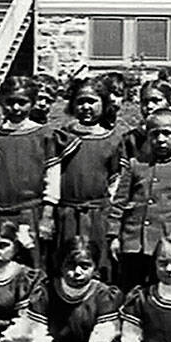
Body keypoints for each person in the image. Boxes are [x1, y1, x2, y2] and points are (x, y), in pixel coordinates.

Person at [0, 76, 68, 272]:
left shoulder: (44, 136)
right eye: (10, 102)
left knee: (33, 266)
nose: (16, 108)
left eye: (22, 102)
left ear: (33, 103)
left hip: (31, 214)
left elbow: (52, 179)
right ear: (0, 102)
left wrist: (47, 215)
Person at [107, 111, 171, 291]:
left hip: (166, 244)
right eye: (155, 134)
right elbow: (119, 202)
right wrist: (114, 236)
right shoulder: (136, 166)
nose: (161, 139)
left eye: (167, 133)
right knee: (131, 289)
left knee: (159, 289)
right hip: (133, 243)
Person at [53, 76, 127, 277]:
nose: (86, 107)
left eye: (92, 101)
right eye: (81, 101)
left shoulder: (112, 140)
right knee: (66, 261)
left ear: (104, 104)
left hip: (98, 214)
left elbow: (117, 180)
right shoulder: (61, 136)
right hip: (67, 212)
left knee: (97, 264)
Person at [25, 236, 122, 342]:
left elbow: (104, 334)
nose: (77, 272)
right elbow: (36, 329)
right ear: (61, 265)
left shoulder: (104, 294)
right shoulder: (46, 291)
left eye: (85, 266)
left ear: (95, 268)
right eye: (71, 265)